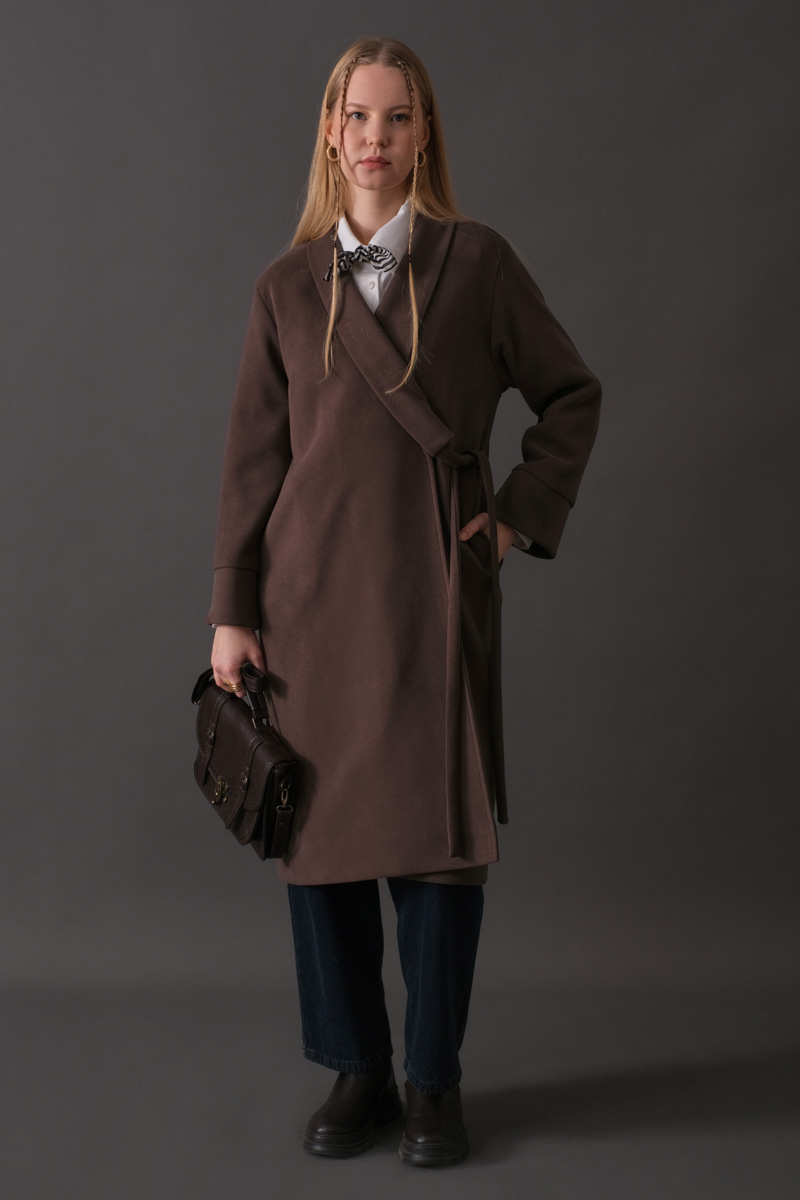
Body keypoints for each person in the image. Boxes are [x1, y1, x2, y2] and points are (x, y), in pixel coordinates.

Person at [206, 35, 601, 1167]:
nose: (373, 137)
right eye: (356, 116)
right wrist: (233, 607)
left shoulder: (478, 265)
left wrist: (514, 517)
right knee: (318, 841)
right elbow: (252, 462)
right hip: (305, 608)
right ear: (330, 135)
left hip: (434, 591)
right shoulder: (284, 288)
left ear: (423, 134)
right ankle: (357, 1069)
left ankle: (432, 1080)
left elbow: (570, 393)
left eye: (395, 116)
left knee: (439, 847)